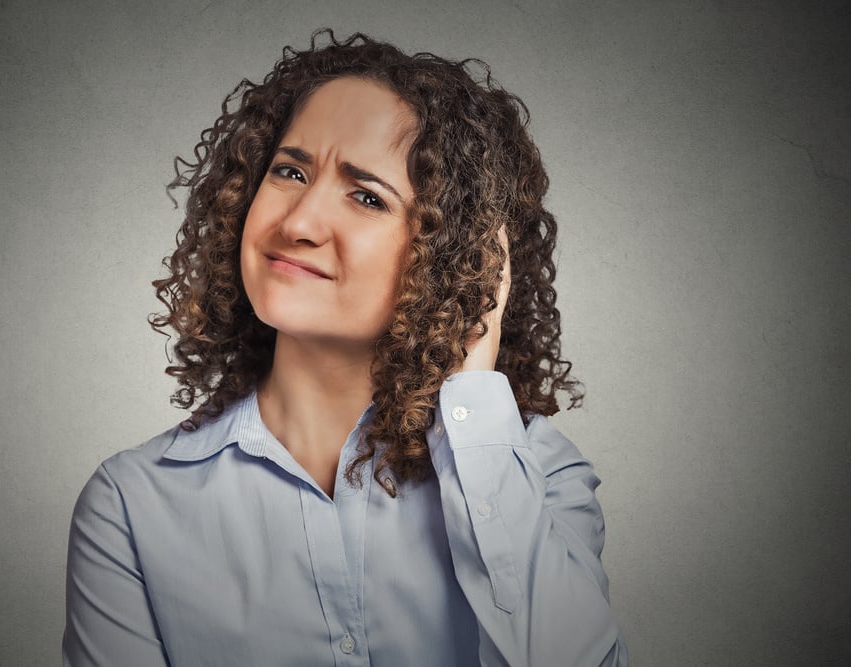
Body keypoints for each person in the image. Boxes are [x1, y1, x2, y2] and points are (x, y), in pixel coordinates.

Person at [63, 30, 627, 666]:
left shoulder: (535, 472)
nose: (297, 223)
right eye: (290, 171)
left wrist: (473, 403)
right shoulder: (129, 505)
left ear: (453, 256)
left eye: (366, 196)